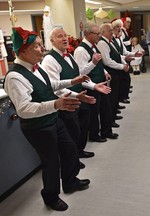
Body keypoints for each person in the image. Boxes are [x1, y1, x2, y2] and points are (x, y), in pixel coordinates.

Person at [4, 27, 91, 211]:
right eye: (36, 46)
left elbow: (49, 84)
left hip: (52, 119)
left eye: (41, 44)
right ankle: (51, 196)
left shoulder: (36, 67)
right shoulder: (14, 77)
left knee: (69, 148)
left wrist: (72, 82)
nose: (42, 49)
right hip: (37, 127)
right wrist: (56, 105)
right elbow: (24, 109)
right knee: (51, 162)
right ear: (23, 50)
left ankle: (69, 181)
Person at [42, 27, 109, 161]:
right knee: (70, 134)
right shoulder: (49, 60)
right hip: (67, 103)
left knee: (82, 128)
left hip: (80, 98)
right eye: (60, 36)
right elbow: (56, 88)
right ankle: (72, 160)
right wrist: (76, 95)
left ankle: (79, 151)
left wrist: (94, 86)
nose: (65, 38)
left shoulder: (69, 55)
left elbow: (80, 77)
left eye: (65, 35)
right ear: (51, 41)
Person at [73, 23, 118, 142]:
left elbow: (98, 62)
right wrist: (92, 63)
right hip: (91, 86)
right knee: (94, 113)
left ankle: (106, 131)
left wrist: (104, 72)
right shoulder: (81, 50)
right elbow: (80, 72)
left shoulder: (94, 46)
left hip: (100, 82)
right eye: (97, 33)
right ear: (88, 34)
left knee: (105, 109)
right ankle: (94, 135)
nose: (99, 35)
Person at [97, 23, 130, 128]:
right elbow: (107, 61)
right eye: (109, 30)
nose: (112, 32)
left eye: (112, 30)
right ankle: (110, 121)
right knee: (111, 99)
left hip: (115, 73)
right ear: (103, 33)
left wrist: (125, 61)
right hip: (111, 73)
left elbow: (117, 55)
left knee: (115, 96)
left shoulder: (109, 42)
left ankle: (113, 115)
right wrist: (122, 66)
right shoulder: (102, 43)